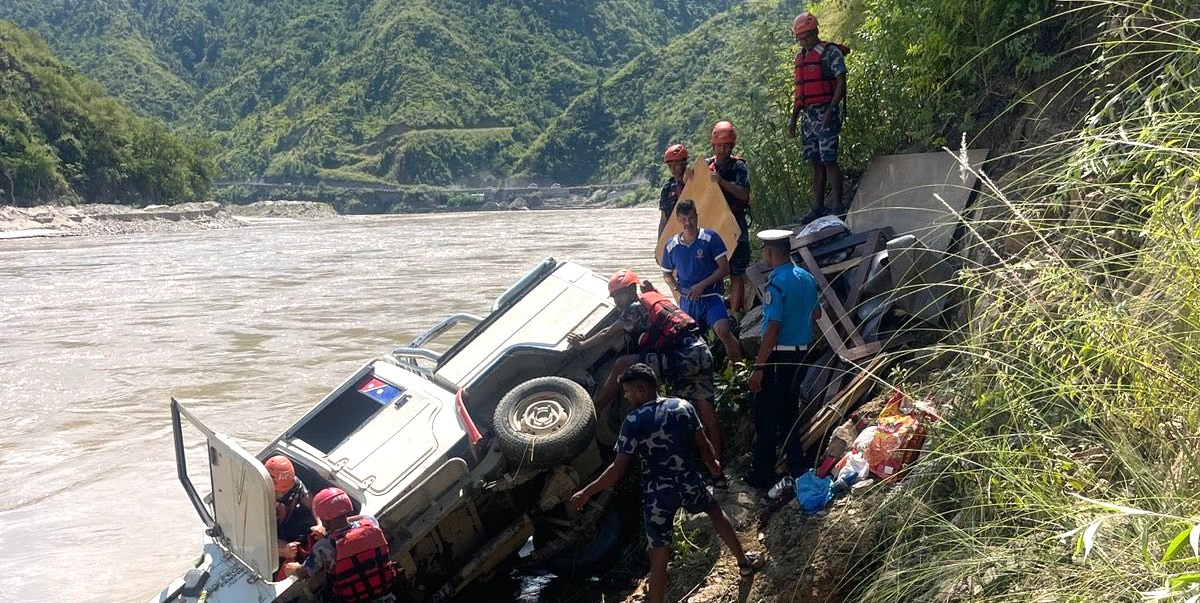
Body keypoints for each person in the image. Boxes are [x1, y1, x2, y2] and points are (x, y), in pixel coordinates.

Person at [570, 364, 764, 603]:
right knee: (714, 511)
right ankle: (744, 563)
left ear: (641, 390)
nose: (626, 396)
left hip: (657, 495)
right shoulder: (682, 406)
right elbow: (703, 445)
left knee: (659, 557)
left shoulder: (633, 421)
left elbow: (618, 469)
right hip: (688, 481)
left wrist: (587, 492)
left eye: (628, 391)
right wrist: (714, 467)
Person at [567, 268, 723, 460]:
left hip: (683, 357)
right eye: (614, 298)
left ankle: (597, 409)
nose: (617, 302)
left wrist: (582, 344)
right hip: (701, 351)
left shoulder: (634, 308)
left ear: (633, 290)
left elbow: (608, 332)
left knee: (622, 363)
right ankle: (717, 466)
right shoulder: (656, 299)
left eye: (619, 296)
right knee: (707, 413)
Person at [746, 230, 822, 493]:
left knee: (765, 414)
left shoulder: (776, 282)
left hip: (778, 355)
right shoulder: (806, 277)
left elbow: (773, 327)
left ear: (769, 252)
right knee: (789, 410)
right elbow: (818, 313)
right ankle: (797, 465)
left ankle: (762, 473)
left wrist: (759, 367)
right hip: (801, 352)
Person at [661, 199, 744, 366]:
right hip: (688, 300)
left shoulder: (710, 238)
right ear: (678, 220)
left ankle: (739, 369)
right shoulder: (671, 246)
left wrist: (702, 285)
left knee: (723, 330)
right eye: (684, 219)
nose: (688, 223)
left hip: (711, 296)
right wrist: (676, 289)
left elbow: (724, 269)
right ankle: (703, 372)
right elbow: (666, 274)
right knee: (690, 341)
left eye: (691, 218)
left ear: (697, 217)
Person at [787, 12, 849, 221]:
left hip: (826, 112)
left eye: (808, 36)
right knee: (815, 161)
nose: (805, 41)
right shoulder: (801, 57)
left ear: (816, 32)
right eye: (801, 38)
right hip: (808, 116)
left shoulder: (830, 53)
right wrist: (794, 119)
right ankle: (818, 206)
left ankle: (838, 205)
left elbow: (841, 82)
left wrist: (831, 110)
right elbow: (800, 92)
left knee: (829, 159)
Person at [294, 487, 398, 603]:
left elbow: (304, 572)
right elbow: (365, 517)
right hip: (386, 596)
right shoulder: (372, 525)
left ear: (323, 520)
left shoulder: (324, 547)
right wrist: (338, 521)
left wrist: (293, 568)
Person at [704, 121, 752, 315]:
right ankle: (715, 311)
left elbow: (744, 194)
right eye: (719, 145)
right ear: (713, 145)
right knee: (713, 269)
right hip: (713, 226)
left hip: (735, 224)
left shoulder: (738, 166)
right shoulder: (707, 165)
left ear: (732, 146)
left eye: (726, 146)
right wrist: (689, 175)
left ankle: (734, 313)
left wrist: (721, 181)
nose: (722, 149)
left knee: (736, 271)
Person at [267, 455, 319, 577]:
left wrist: (320, 524)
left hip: (285, 524)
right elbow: (255, 541)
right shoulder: (258, 499)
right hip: (268, 536)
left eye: (286, 490)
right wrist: (282, 551)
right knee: (282, 545)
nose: (283, 493)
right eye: (279, 491)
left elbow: (311, 503)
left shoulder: (294, 484)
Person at [657, 143, 689, 237]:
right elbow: (663, 220)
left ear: (684, 164)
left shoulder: (694, 182)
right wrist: (660, 245)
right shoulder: (667, 189)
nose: (673, 169)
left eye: (676, 165)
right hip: (675, 237)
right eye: (670, 166)